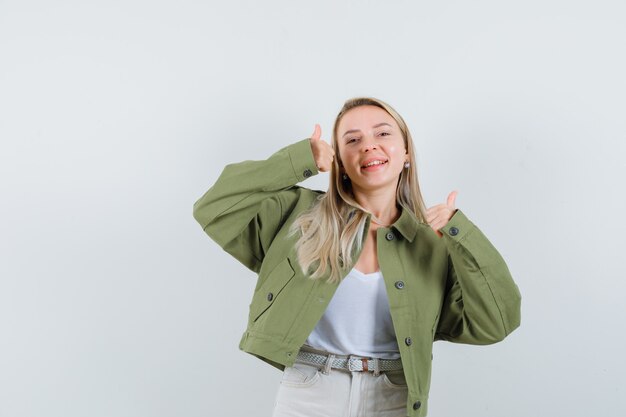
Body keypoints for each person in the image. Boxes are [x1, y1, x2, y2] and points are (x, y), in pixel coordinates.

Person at [193, 97, 521, 417]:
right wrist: (299, 159)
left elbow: (497, 322)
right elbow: (213, 207)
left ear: (405, 151)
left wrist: (460, 233)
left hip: (394, 395)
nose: (368, 145)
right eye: (353, 139)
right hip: (309, 391)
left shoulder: (435, 243)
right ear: (341, 162)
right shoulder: (299, 216)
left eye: (382, 133)